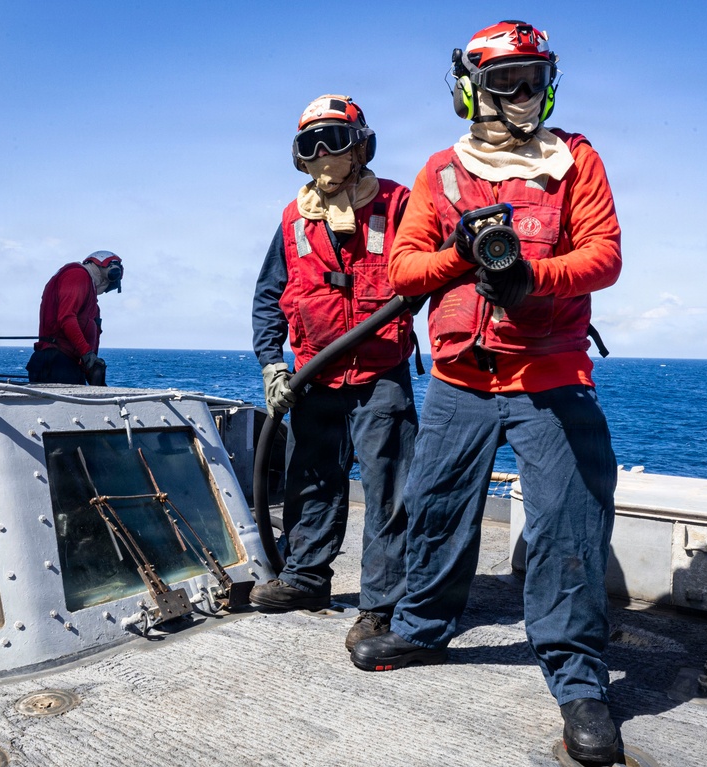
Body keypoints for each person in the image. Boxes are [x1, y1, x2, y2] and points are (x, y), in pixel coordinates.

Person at [349, 21, 623, 765]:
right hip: (459, 379)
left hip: (550, 373)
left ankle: (578, 679)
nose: (522, 94)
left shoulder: (576, 159)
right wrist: (458, 255)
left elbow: (602, 255)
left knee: (568, 521)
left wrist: (533, 277)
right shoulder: (441, 171)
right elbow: (403, 271)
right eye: (504, 80)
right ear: (472, 88)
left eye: (532, 78)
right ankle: (422, 625)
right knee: (434, 503)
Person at [250, 94, 418, 652]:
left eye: (335, 141)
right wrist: (273, 362)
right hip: (314, 377)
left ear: (361, 146)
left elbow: (438, 274)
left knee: (388, 490)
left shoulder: (398, 203)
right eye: (310, 144)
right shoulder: (293, 218)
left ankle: (381, 605)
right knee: (310, 479)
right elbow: (270, 295)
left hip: (381, 374)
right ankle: (305, 578)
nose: (323, 154)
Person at [26, 251, 123, 385]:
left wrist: (90, 366)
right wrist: (87, 355)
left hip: (68, 363)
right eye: (107, 284)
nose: (105, 288)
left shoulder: (88, 295)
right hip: (58, 362)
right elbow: (66, 318)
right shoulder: (78, 275)